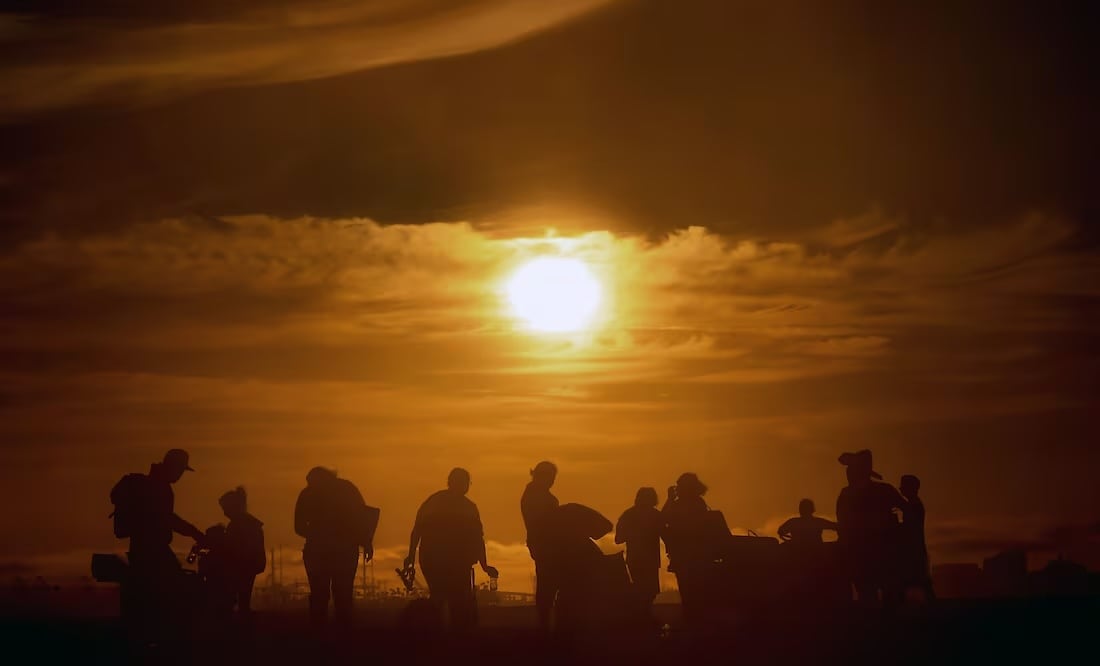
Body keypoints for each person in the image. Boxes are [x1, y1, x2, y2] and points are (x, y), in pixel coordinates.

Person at [110, 449, 206, 641]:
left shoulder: (151, 485)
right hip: (153, 551)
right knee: (177, 588)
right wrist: (194, 532)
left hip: (141, 548)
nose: (180, 475)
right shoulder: (160, 488)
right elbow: (168, 519)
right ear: (173, 467)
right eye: (180, 470)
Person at [404, 468, 498, 632]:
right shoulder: (469, 508)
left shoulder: (433, 502)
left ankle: (434, 632)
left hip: (432, 560)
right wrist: (484, 565)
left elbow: (417, 530)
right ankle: (456, 636)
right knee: (458, 602)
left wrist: (411, 556)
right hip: (457, 563)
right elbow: (478, 539)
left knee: (438, 597)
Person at [294, 467, 377, 628]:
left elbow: (298, 527)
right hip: (343, 551)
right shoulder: (347, 489)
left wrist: (317, 534)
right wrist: (366, 542)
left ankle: (321, 633)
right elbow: (362, 518)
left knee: (320, 596)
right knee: (342, 595)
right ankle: (342, 633)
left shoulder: (308, 494)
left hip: (320, 552)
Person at [835, 450, 906, 608]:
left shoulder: (849, 494)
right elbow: (906, 509)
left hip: (871, 550)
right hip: (874, 550)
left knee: (873, 591)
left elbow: (843, 521)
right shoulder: (884, 490)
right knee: (877, 591)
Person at [661, 473, 714, 623]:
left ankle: (693, 621)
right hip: (696, 555)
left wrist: (669, 500)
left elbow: (662, 519)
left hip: (686, 555)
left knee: (689, 592)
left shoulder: (682, 505)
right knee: (696, 592)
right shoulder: (699, 502)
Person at [521, 461, 560, 631]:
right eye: (550, 477)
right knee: (547, 584)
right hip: (545, 545)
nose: (552, 481)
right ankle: (545, 624)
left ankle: (546, 622)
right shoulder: (537, 496)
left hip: (543, 544)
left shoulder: (534, 494)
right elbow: (542, 522)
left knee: (547, 583)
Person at [218, 487, 266, 618]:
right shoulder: (249, 522)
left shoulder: (238, 525)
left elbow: (233, 547)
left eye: (225, 508)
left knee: (237, 595)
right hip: (250, 564)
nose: (224, 512)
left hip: (243, 565)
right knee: (244, 596)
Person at [615, 487, 664, 609]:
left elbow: (618, 539)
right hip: (649, 560)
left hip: (635, 559)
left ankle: (640, 614)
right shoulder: (656, 515)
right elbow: (667, 535)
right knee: (649, 592)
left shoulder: (628, 515)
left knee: (640, 590)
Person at [898, 475, 935, 601]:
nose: (900, 488)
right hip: (915, 549)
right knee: (920, 581)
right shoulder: (913, 504)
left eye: (903, 486)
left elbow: (910, 527)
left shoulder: (914, 506)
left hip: (914, 550)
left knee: (918, 580)